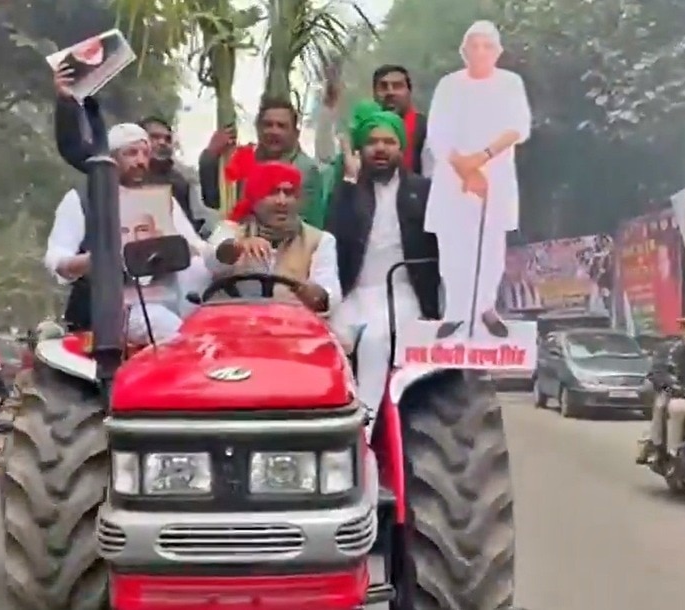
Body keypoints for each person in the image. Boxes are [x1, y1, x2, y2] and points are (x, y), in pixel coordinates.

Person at [323, 100, 441, 415]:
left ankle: (366, 432)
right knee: (330, 343)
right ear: (361, 148)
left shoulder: (424, 190)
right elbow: (333, 239)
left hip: (402, 293)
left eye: (389, 142)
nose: (380, 148)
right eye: (372, 141)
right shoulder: (348, 190)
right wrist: (348, 182)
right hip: (355, 295)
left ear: (401, 148)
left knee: (376, 340)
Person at [45, 122, 209, 343]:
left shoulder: (162, 200)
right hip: (114, 309)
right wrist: (98, 259)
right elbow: (57, 259)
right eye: (131, 153)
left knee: (201, 270)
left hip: (167, 298)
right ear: (112, 159)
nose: (141, 161)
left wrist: (182, 249)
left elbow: (197, 248)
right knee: (171, 331)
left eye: (145, 154)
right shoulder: (82, 200)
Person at [424, 20, 531, 340]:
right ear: (464, 51)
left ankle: (486, 308)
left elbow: (519, 128)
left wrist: (482, 158)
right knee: (453, 246)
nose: (481, 52)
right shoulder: (449, 85)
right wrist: (464, 167)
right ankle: (455, 311)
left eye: (488, 46)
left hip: (495, 176)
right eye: (475, 45)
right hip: (452, 176)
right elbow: (437, 133)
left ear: (497, 52)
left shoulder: (511, 83)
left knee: (491, 247)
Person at [50, 64, 209, 232]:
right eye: (154, 137)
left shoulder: (179, 184)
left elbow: (193, 232)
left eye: (167, 139)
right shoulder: (107, 173)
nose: (162, 143)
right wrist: (66, 101)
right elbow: (72, 147)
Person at [205, 160, 342, 314]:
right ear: (255, 199)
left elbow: (330, 296)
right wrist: (238, 246)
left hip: (292, 328)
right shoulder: (230, 230)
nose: (282, 201)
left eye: (289, 193)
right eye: (272, 192)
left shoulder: (319, 240)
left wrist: (316, 294)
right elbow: (212, 259)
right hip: (235, 326)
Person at [199, 99, 325, 228]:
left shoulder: (305, 170)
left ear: (296, 133)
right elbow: (213, 200)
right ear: (258, 128)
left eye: (281, 126)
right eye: (268, 125)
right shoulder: (243, 161)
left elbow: (306, 225)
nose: (273, 131)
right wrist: (211, 155)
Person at [315, 65, 429, 175]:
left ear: (409, 91)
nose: (390, 92)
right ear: (374, 93)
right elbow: (326, 159)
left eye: (397, 86)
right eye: (384, 87)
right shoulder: (361, 132)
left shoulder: (426, 129)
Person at [638, 317, 685, 464]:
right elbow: (662, 372)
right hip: (680, 394)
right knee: (666, 405)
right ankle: (667, 450)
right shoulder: (672, 350)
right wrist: (673, 386)